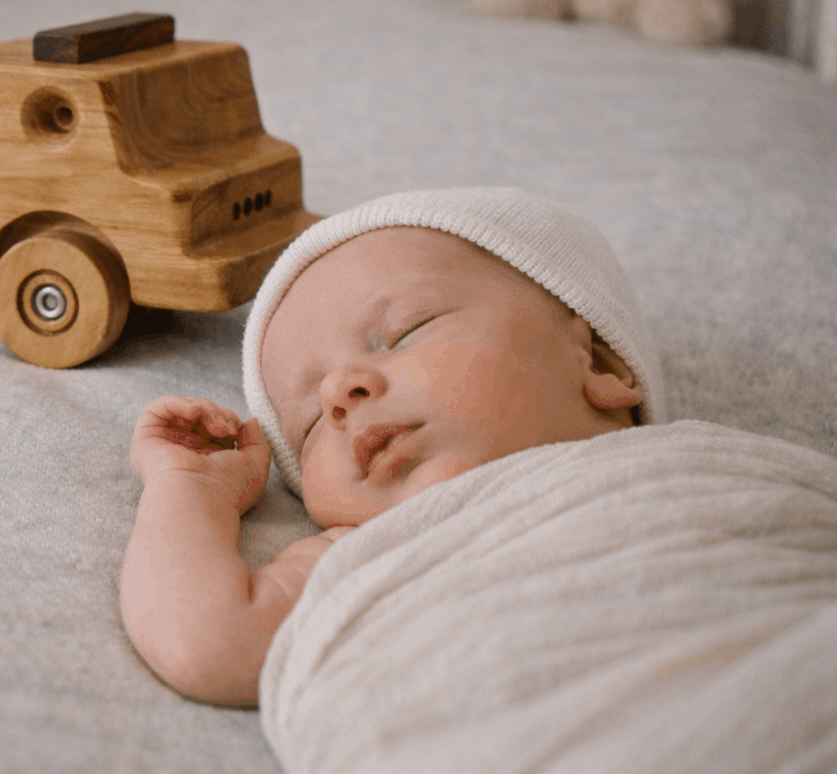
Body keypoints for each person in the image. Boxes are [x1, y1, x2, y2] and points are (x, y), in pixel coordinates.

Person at [120, 187, 665, 705]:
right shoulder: (380, 547)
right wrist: (189, 486)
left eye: (406, 331)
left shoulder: (697, 468)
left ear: (597, 364)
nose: (338, 393)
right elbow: (209, 641)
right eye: (310, 425)